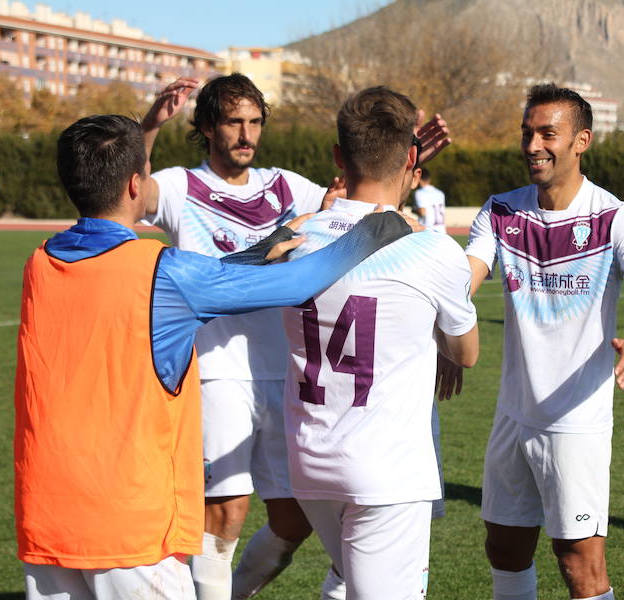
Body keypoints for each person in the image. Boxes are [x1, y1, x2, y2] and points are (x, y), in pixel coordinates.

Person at [14, 114, 413, 600]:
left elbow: (173, 287)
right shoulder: (161, 271)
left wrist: (263, 247)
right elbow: (296, 283)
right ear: (136, 183)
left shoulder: (42, 262)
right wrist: (381, 226)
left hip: (48, 512)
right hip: (129, 524)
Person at [138, 74, 450, 599]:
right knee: (227, 508)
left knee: (294, 520)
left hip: (287, 372)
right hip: (217, 368)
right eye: (234, 121)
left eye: (255, 121)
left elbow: (358, 197)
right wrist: (149, 126)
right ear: (207, 127)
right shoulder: (178, 186)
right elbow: (130, 189)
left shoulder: (284, 185)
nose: (246, 133)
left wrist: (406, 158)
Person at [462, 85, 624, 600]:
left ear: (582, 141)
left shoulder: (613, 218)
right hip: (513, 414)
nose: (533, 144)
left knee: (580, 566)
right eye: (527, 132)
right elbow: (462, 282)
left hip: (576, 422)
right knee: (505, 549)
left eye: (547, 133)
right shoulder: (500, 212)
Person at [279, 86, 479, 600]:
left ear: (338, 158)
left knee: (347, 581)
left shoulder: (293, 239)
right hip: (384, 468)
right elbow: (466, 353)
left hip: (309, 460)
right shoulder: (430, 250)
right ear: (413, 159)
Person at [413, 167, 447, 233]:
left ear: (418, 178)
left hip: (428, 232)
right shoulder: (440, 193)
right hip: (442, 231)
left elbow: (422, 212)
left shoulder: (419, 193)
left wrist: (413, 210)